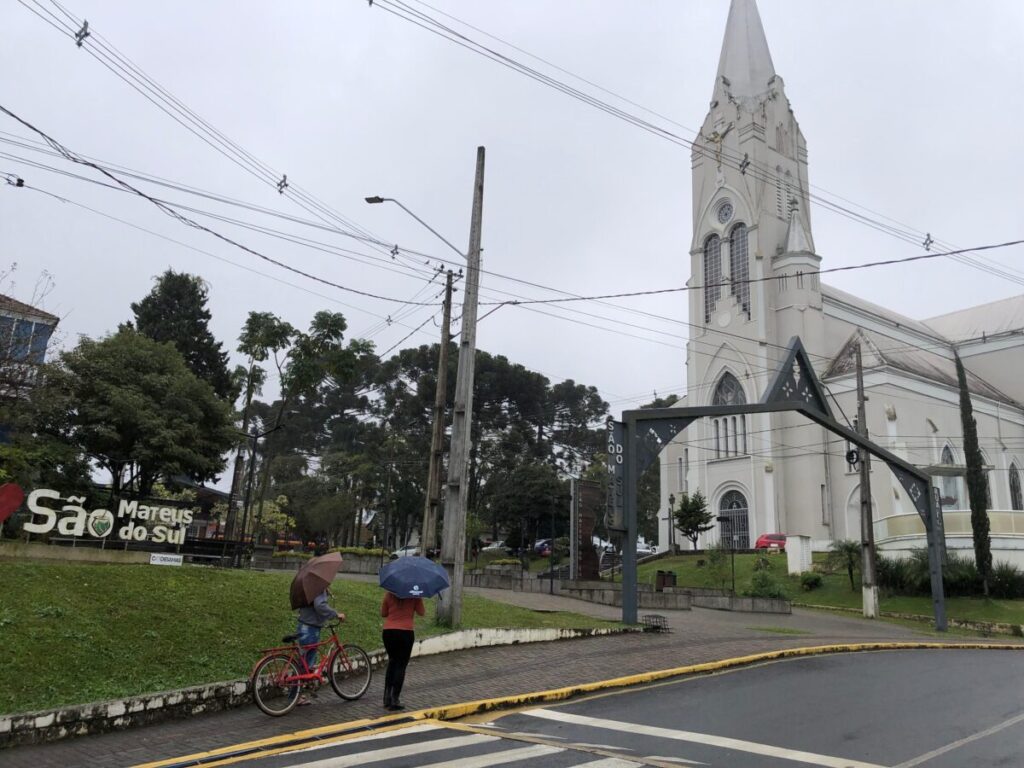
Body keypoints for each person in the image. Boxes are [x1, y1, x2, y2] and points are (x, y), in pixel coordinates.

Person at [296, 587, 344, 705]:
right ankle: (295, 696)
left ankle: (300, 694)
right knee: (305, 664)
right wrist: (336, 614)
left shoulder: (309, 588)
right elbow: (319, 606)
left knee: (304, 663)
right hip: (310, 629)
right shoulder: (318, 587)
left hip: (303, 625)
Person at [380, 591, 425, 711]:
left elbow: (383, 613)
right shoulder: (414, 594)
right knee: (401, 665)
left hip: (388, 632)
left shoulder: (389, 593)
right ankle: (395, 699)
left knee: (392, 662)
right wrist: (418, 599)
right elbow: (422, 612)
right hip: (406, 632)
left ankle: (386, 698)